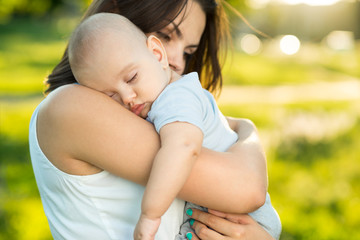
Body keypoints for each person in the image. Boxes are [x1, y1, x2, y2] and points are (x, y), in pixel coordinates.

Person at [29, 0, 277, 239]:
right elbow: (246, 189)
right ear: (118, 10)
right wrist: (248, 131)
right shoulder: (72, 107)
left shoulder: (147, 106)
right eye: (166, 34)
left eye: (188, 51)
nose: (178, 63)